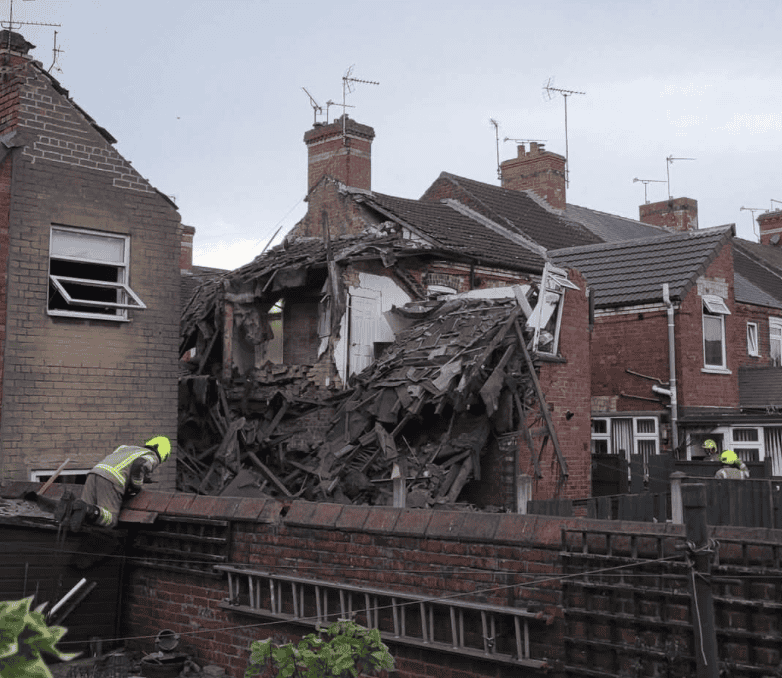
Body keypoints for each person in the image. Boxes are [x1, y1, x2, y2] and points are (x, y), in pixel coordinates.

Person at [68, 436, 171, 530]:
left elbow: (123, 464)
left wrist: (144, 477)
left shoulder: (125, 448)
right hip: (112, 479)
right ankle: (89, 509)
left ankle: (71, 506)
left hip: (94, 473)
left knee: (83, 513)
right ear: (163, 454)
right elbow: (139, 465)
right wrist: (136, 487)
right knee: (110, 520)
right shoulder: (152, 456)